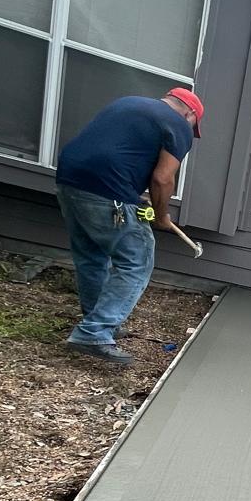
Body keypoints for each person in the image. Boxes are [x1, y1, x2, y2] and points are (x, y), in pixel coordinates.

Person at [55, 87, 203, 365]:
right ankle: (95, 332)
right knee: (137, 260)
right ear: (190, 113)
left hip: (69, 182)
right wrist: (161, 216)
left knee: (91, 256)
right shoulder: (178, 124)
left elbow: (117, 153)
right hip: (108, 191)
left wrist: (133, 194)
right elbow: (162, 179)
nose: (191, 131)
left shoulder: (127, 103)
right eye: (194, 125)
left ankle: (96, 323)